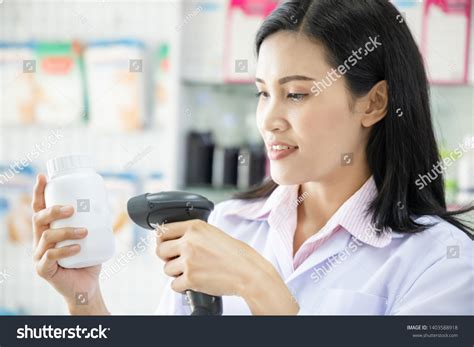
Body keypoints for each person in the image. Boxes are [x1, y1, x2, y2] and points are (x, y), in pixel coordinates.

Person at [32, 0, 473, 315]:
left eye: (297, 94)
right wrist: (82, 297)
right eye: (263, 93)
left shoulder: (443, 262)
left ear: (374, 103)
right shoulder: (226, 224)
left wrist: (261, 288)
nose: (270, 120)